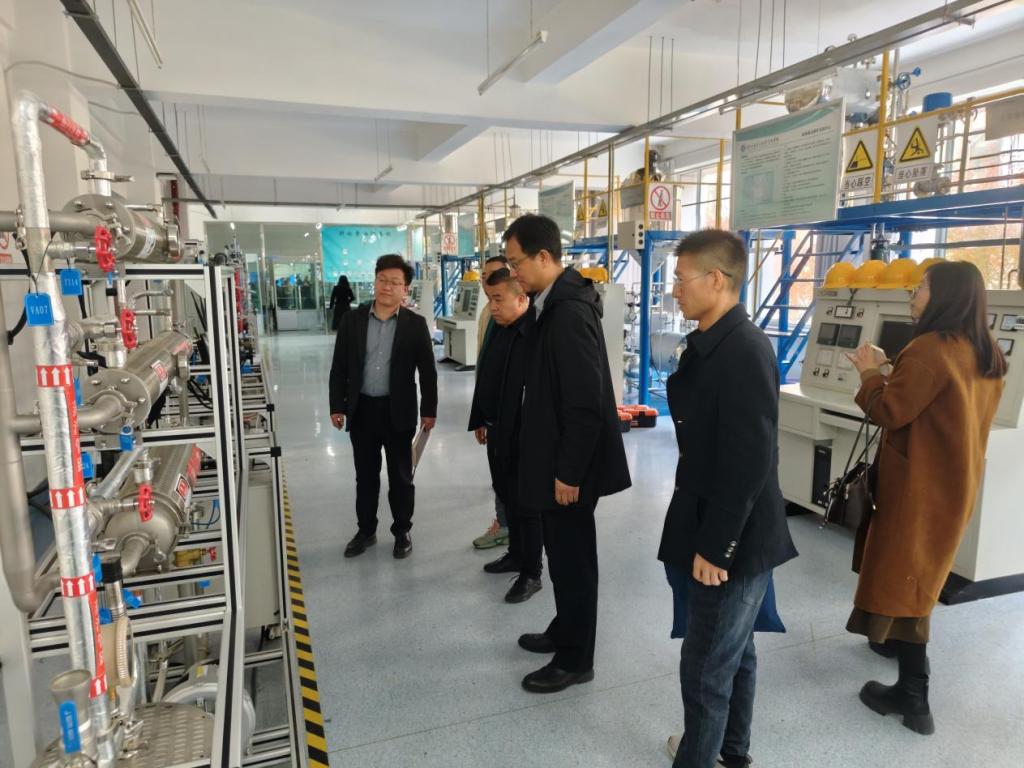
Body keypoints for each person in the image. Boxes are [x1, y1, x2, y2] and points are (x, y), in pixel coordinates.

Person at [845, 260, 1005, 736]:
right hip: (954, 484)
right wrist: (891, 367)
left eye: (921, 287)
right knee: (919, 572)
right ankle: (888, 638)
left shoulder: (928, 349)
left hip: (917, 487)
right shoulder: (986, 350)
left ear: (945, 297)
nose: (913, 294)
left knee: (906, 578)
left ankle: (913, 696)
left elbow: (890, 410)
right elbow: (940, 407)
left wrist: (869, 373)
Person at [658, 230, 798, 768]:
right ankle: (730, 753)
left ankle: (701, 757)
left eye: (681, 279)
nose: (675, 290)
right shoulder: (712, 342)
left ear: (716, 280)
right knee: (734, 652)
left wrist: (717, 547)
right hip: (712, 517)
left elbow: (749, 462)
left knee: (705, 668)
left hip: (733, 536)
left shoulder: (743, 350)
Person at [505, 213, 631, 694]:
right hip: (557, 458)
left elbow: (583, 403)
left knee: (574, 561)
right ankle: (565, 629)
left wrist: (569, 472)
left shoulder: (569, 313)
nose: (513, 272)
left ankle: (577, 659)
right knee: (561, 556)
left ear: (543, 257)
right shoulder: (551, 303)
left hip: (570, 468)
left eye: (516, 263)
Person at [329, 254, 438, 560]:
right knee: (365, 477)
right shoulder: (352, 321)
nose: (387, 287)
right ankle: (366, 531)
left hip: (398, 411)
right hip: (362, 409)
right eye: (382, 280)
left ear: (405, 289)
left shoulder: (415, 325)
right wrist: (337, 406)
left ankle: (402, 531)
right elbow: (339, 368)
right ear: (374, 281)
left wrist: (429, 410)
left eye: (394, 282)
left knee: (401, 476)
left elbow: (428, 371)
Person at [467, 269, 541, 602]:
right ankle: (515, 554)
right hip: (497, 428)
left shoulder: (534, 334)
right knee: (507, 495)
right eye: (489, 299)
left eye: (498, 299)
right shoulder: (499, 328)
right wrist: (480, 418)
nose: (493, 307)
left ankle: (532, 572)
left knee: (526, 505)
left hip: (524, 436)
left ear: (521, 298)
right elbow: (486, 374)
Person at [472, 254, 514, 551]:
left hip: (510, 417)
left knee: (510, 477)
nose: (489, 280)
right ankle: (504, 523)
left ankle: (508, 528)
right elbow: (483, 364)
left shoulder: (515, 317)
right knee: (499, 476)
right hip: (492, 411)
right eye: (485, 275)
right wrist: (480, 414)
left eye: (497, 274)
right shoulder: (489, 312)